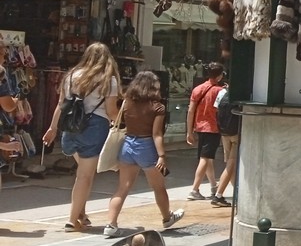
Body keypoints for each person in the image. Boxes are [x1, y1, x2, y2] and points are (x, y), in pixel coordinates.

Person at [42, 42, 121, 232]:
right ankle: (71, 220)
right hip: (94, 128)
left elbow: (61, 105)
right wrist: (123, 122)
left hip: (70, 128)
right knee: (84, 176)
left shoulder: (71, 76)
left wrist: (52, 128)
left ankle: (81, 214)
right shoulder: (108, 80)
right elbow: (111, 111)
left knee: (85, 173)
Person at [102, 71, 184, 236]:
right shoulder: (157, 107)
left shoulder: (127, 102)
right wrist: (161, 156)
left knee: (122, 188)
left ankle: (110, 225)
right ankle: (167, 217)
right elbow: (156, 134)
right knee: (158, 187)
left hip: (128, 144)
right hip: (146, 146)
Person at [186, 63, 224, 201]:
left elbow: (191, 111)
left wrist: (189, 131)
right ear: (220, 76)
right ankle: (195, 189)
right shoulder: (220, 91)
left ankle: (213, 185)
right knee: (205, 158)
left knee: (207, 157)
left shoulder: (197, 89)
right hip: (213, 128)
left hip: (200, 127)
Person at [211, 84, 238, 207]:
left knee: (230, 165)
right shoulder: (241, 94)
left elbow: (216, 110)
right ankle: (218, 195)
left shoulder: (222, 93)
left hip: (224, 133)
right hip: (236, 133)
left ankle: (236, 194)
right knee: (231, 164)